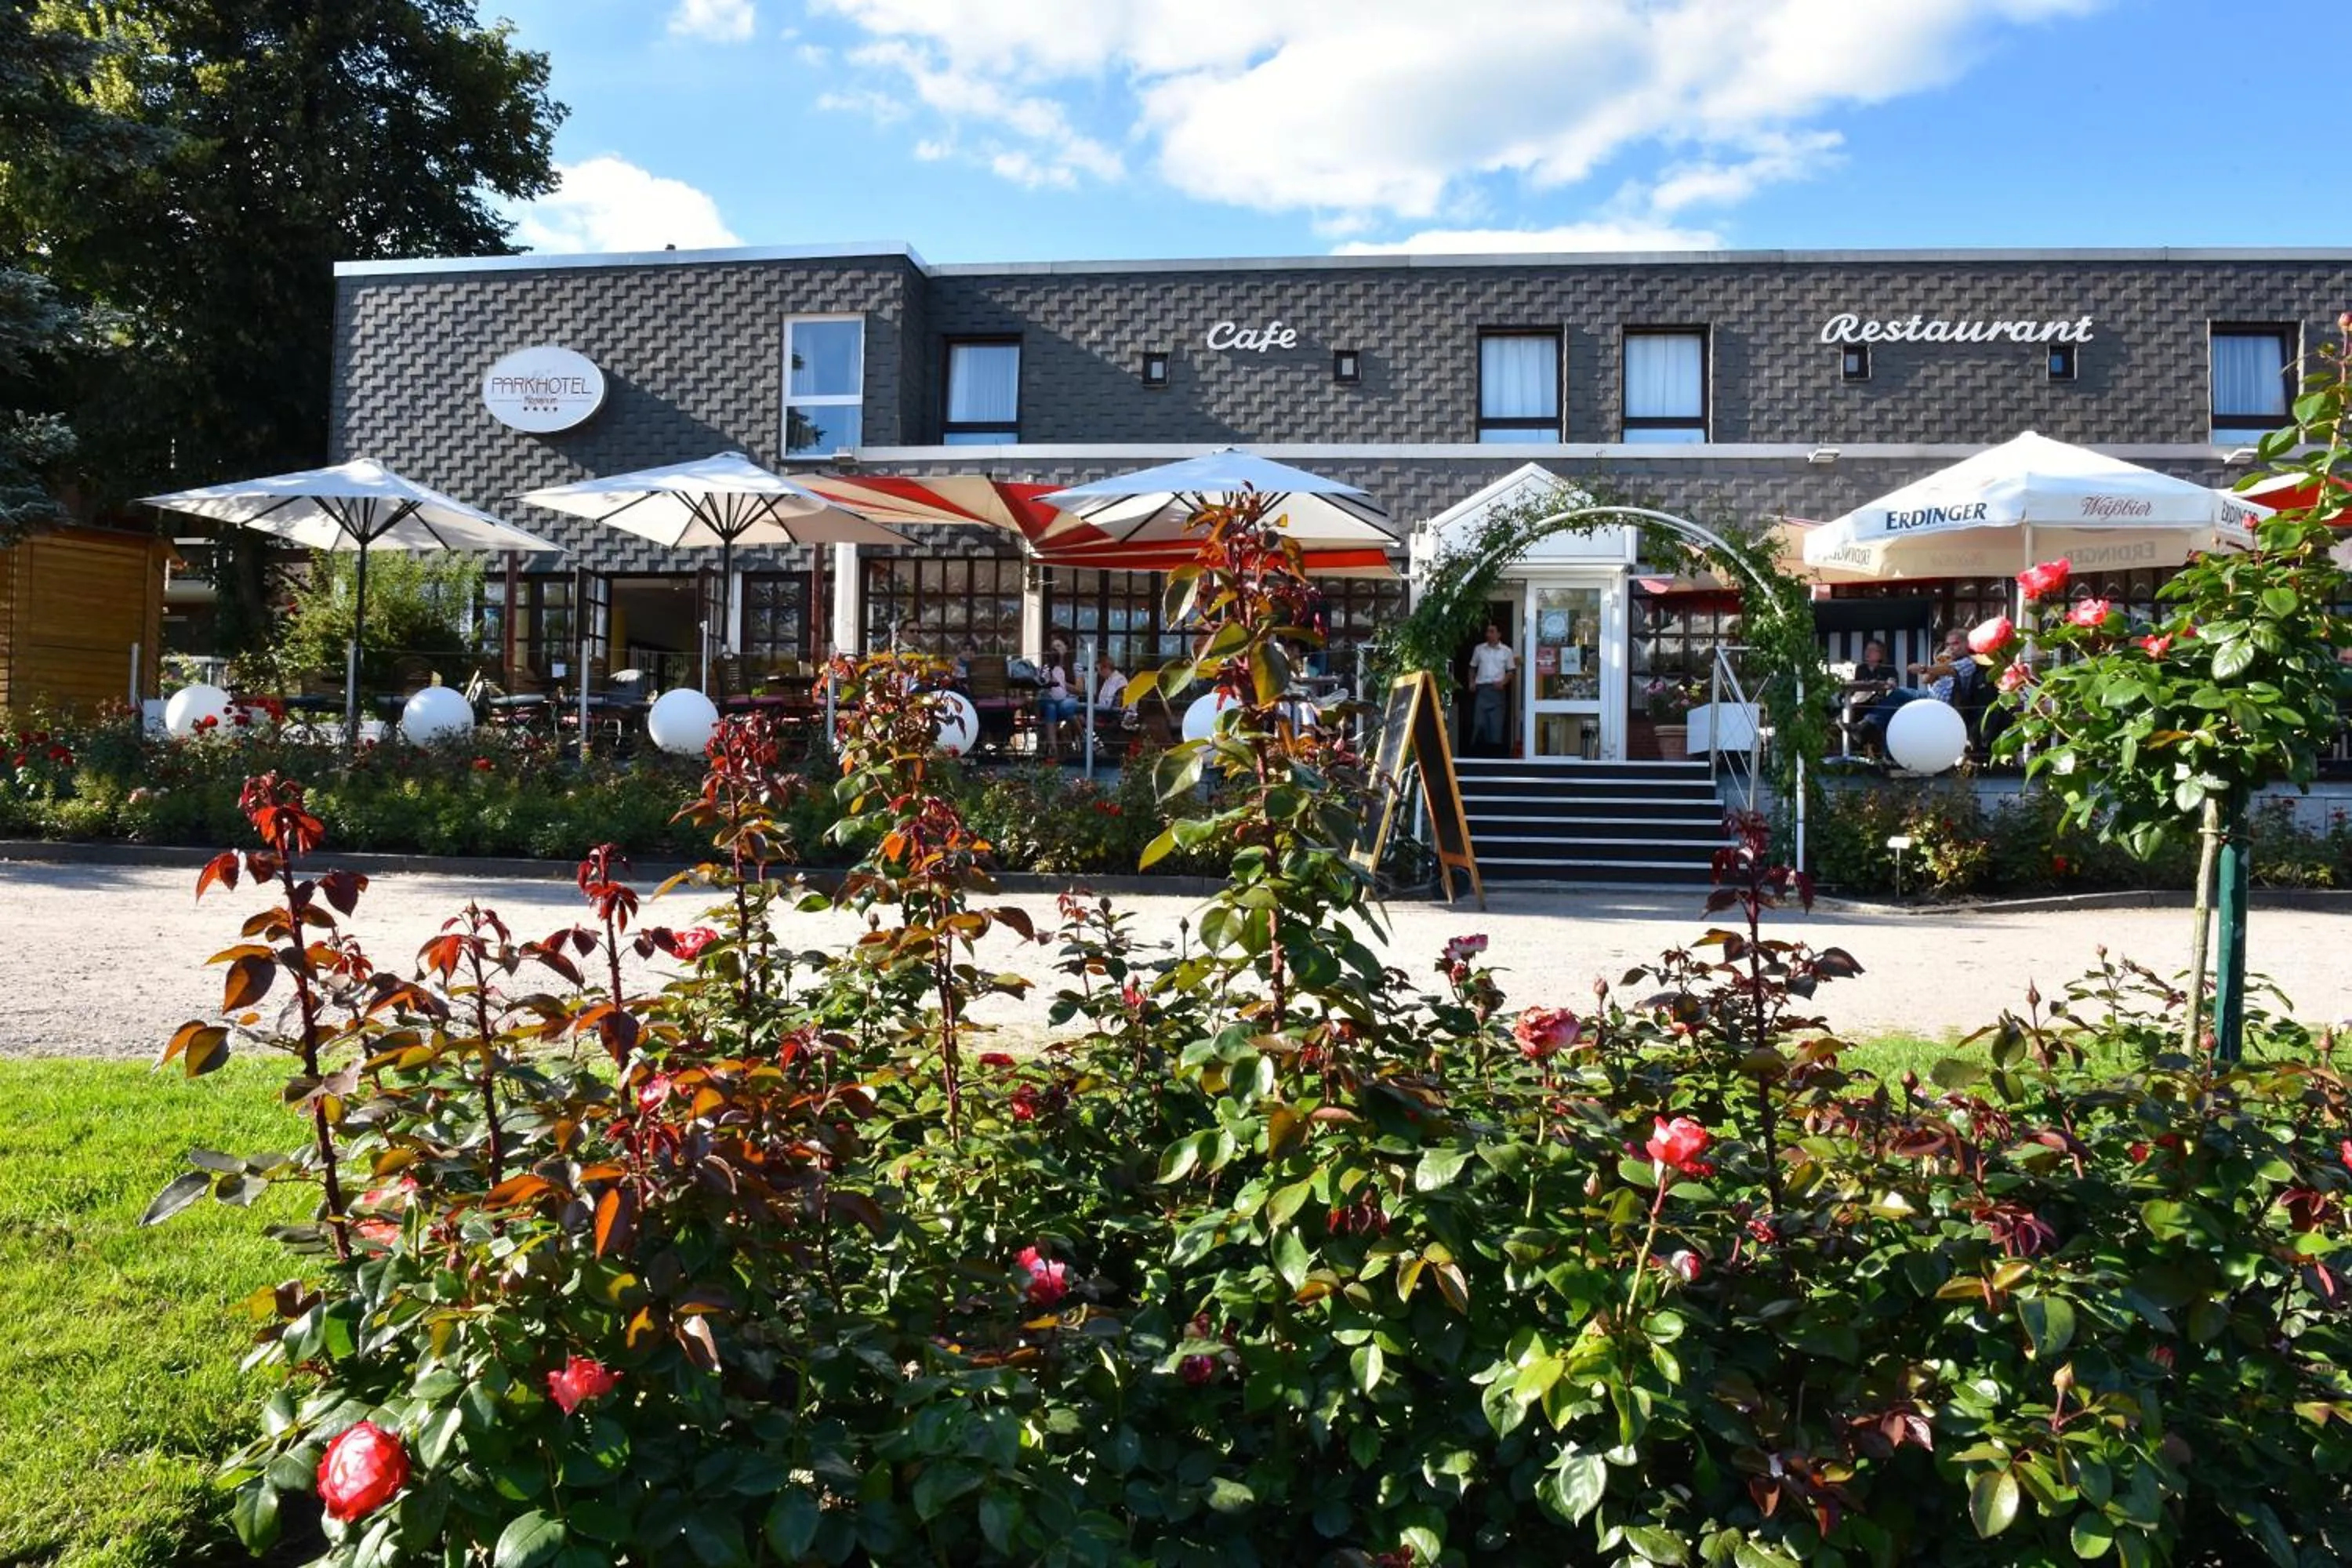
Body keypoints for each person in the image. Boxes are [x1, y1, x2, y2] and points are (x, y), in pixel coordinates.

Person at [1861, 628, 1981, 750]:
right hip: (1931, 697)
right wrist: (1942, 659)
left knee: (1900, 693)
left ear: (1966, 644)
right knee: (1895, 711)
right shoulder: (1948, 659)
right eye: (1948, 644)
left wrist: (1924, 668)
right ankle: (1871, 733)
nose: (1951, 648)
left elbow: (1948, 671)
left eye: (1955, 644)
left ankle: (1866, 728)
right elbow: (1926, 679)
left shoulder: (1969, 662)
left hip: (1945, 705)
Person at [1467, 622, 1515, 756]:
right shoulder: (1479, 649)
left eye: (1492, 631)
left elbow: (1511, 671)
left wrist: (1503, 682)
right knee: (1478, 725)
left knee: (1496, 728)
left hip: (1497, 692)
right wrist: (1471, 682)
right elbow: (1472, 667)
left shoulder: (1507, 651)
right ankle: (1476, 757)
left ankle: (1495, 759)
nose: (1488, 634)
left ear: (1499, 634)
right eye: (1487, 631)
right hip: (1482, 690)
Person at [1035, 636, 1080, 757]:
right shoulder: (1047, 667)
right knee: (1051, 707)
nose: (1056, 649)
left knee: (1065, 706)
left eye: (1059, 646)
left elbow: (1080, 690)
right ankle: (1053, 750)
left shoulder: (1074, 666)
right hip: (1053, 701)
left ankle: (1082, 737)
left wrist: (1061, 682)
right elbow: (1041, 683)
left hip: (1066, 700)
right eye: (1054, 647)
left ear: (1066, 649)